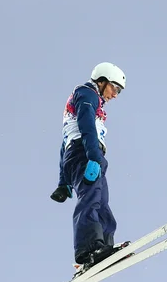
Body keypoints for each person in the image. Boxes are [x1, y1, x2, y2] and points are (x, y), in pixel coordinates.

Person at [50, 62, 126, 266]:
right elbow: (86, 128)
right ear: (102, 81)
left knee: (102, 204)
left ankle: (105, 246)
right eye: (115, 88)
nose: (115, 95)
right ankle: (88, 249)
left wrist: (63, 181)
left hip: (82, 153)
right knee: (91, 199)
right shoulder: (87, 94)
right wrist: (93, 157)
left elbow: (64, 142)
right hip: (84, 153)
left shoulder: (89, 100)